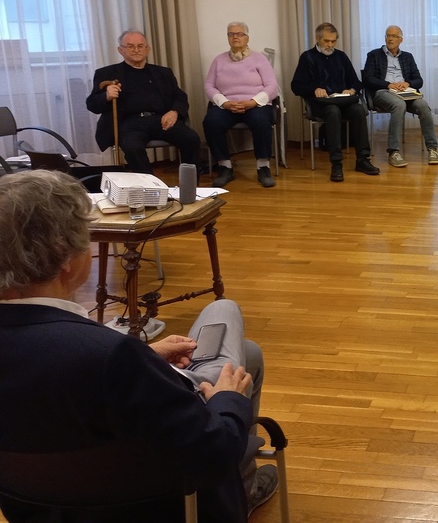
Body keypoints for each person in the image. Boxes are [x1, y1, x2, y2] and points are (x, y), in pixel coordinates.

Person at [0, 171, 277, 521]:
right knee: (226, 320)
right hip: (167, 508)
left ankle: (246, 484)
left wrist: (145, 356)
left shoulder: (102, 353)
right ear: (63, 255)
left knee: (248, 352)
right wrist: (228, 399)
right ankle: (243, 492)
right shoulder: (110, 356)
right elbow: (212, 455)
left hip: (40, 509)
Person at [86, 30, 201, 174]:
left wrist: (174, 112)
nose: (136, 50)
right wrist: (106, 96)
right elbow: (92, 104)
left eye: (140, 46)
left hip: (161, 120)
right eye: (130, 46)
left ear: (148, 49)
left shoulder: (163, 73)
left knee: (191, 139)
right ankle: (149, 185)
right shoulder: (106, 73)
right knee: (132, 147)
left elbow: (180, 96)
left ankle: (189, 184)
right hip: (129, 124)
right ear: (120, 50)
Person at [291, 22, 380, 182]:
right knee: (333, 112)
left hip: (343, 102)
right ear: (317, 38)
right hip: (321, 104)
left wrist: (352, 89)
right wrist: (314, 89)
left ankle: (363, 159)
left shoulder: (341, 56)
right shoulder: (307, 57)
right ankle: (336, 163)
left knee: (359, 110)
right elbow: (296, 86)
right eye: (327, 41)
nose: (330, 45)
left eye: (333, 41)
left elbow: (356, 82)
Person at [203, 22, 279, 188]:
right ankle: (225, 167)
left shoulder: (259, 59)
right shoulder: (219, 60)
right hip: (227, 105)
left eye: (239, 34)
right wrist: (224, 103)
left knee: (261, 121)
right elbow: (209, 86)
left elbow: (272, 86)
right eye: (231, 34)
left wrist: (253, 102)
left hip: (254, 104)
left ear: (247, 38)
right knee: (211, 122)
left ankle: (263, 167)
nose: (235, 37)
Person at [362, 25, 438, 167]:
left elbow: (419, 80)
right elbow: (368, 78)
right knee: (399, 105)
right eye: (388, 35)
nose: (390, 39)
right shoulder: (374, 55)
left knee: (423, 105)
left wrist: (407, 83)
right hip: (383, 92)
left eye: (393, 36)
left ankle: (432, 149)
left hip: (405, 92)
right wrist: (388, 85)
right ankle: (393, 152)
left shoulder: (407, 57)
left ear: (401, 39)